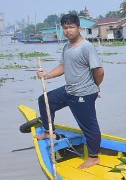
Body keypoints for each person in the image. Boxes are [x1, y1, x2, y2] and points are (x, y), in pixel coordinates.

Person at [36, 13, 104, 169]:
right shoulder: (67, 47)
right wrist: (47, 75)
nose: (68, 31)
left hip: (83, 93)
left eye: (71, 27)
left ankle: (93, 157)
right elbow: (63, 66)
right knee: (45, 100)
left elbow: (99, 71)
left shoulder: (86, 47)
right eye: (65, 28)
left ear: (79, 28)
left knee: (88, 126)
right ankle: (49, 131)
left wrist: (94, 87)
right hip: (69, 90)